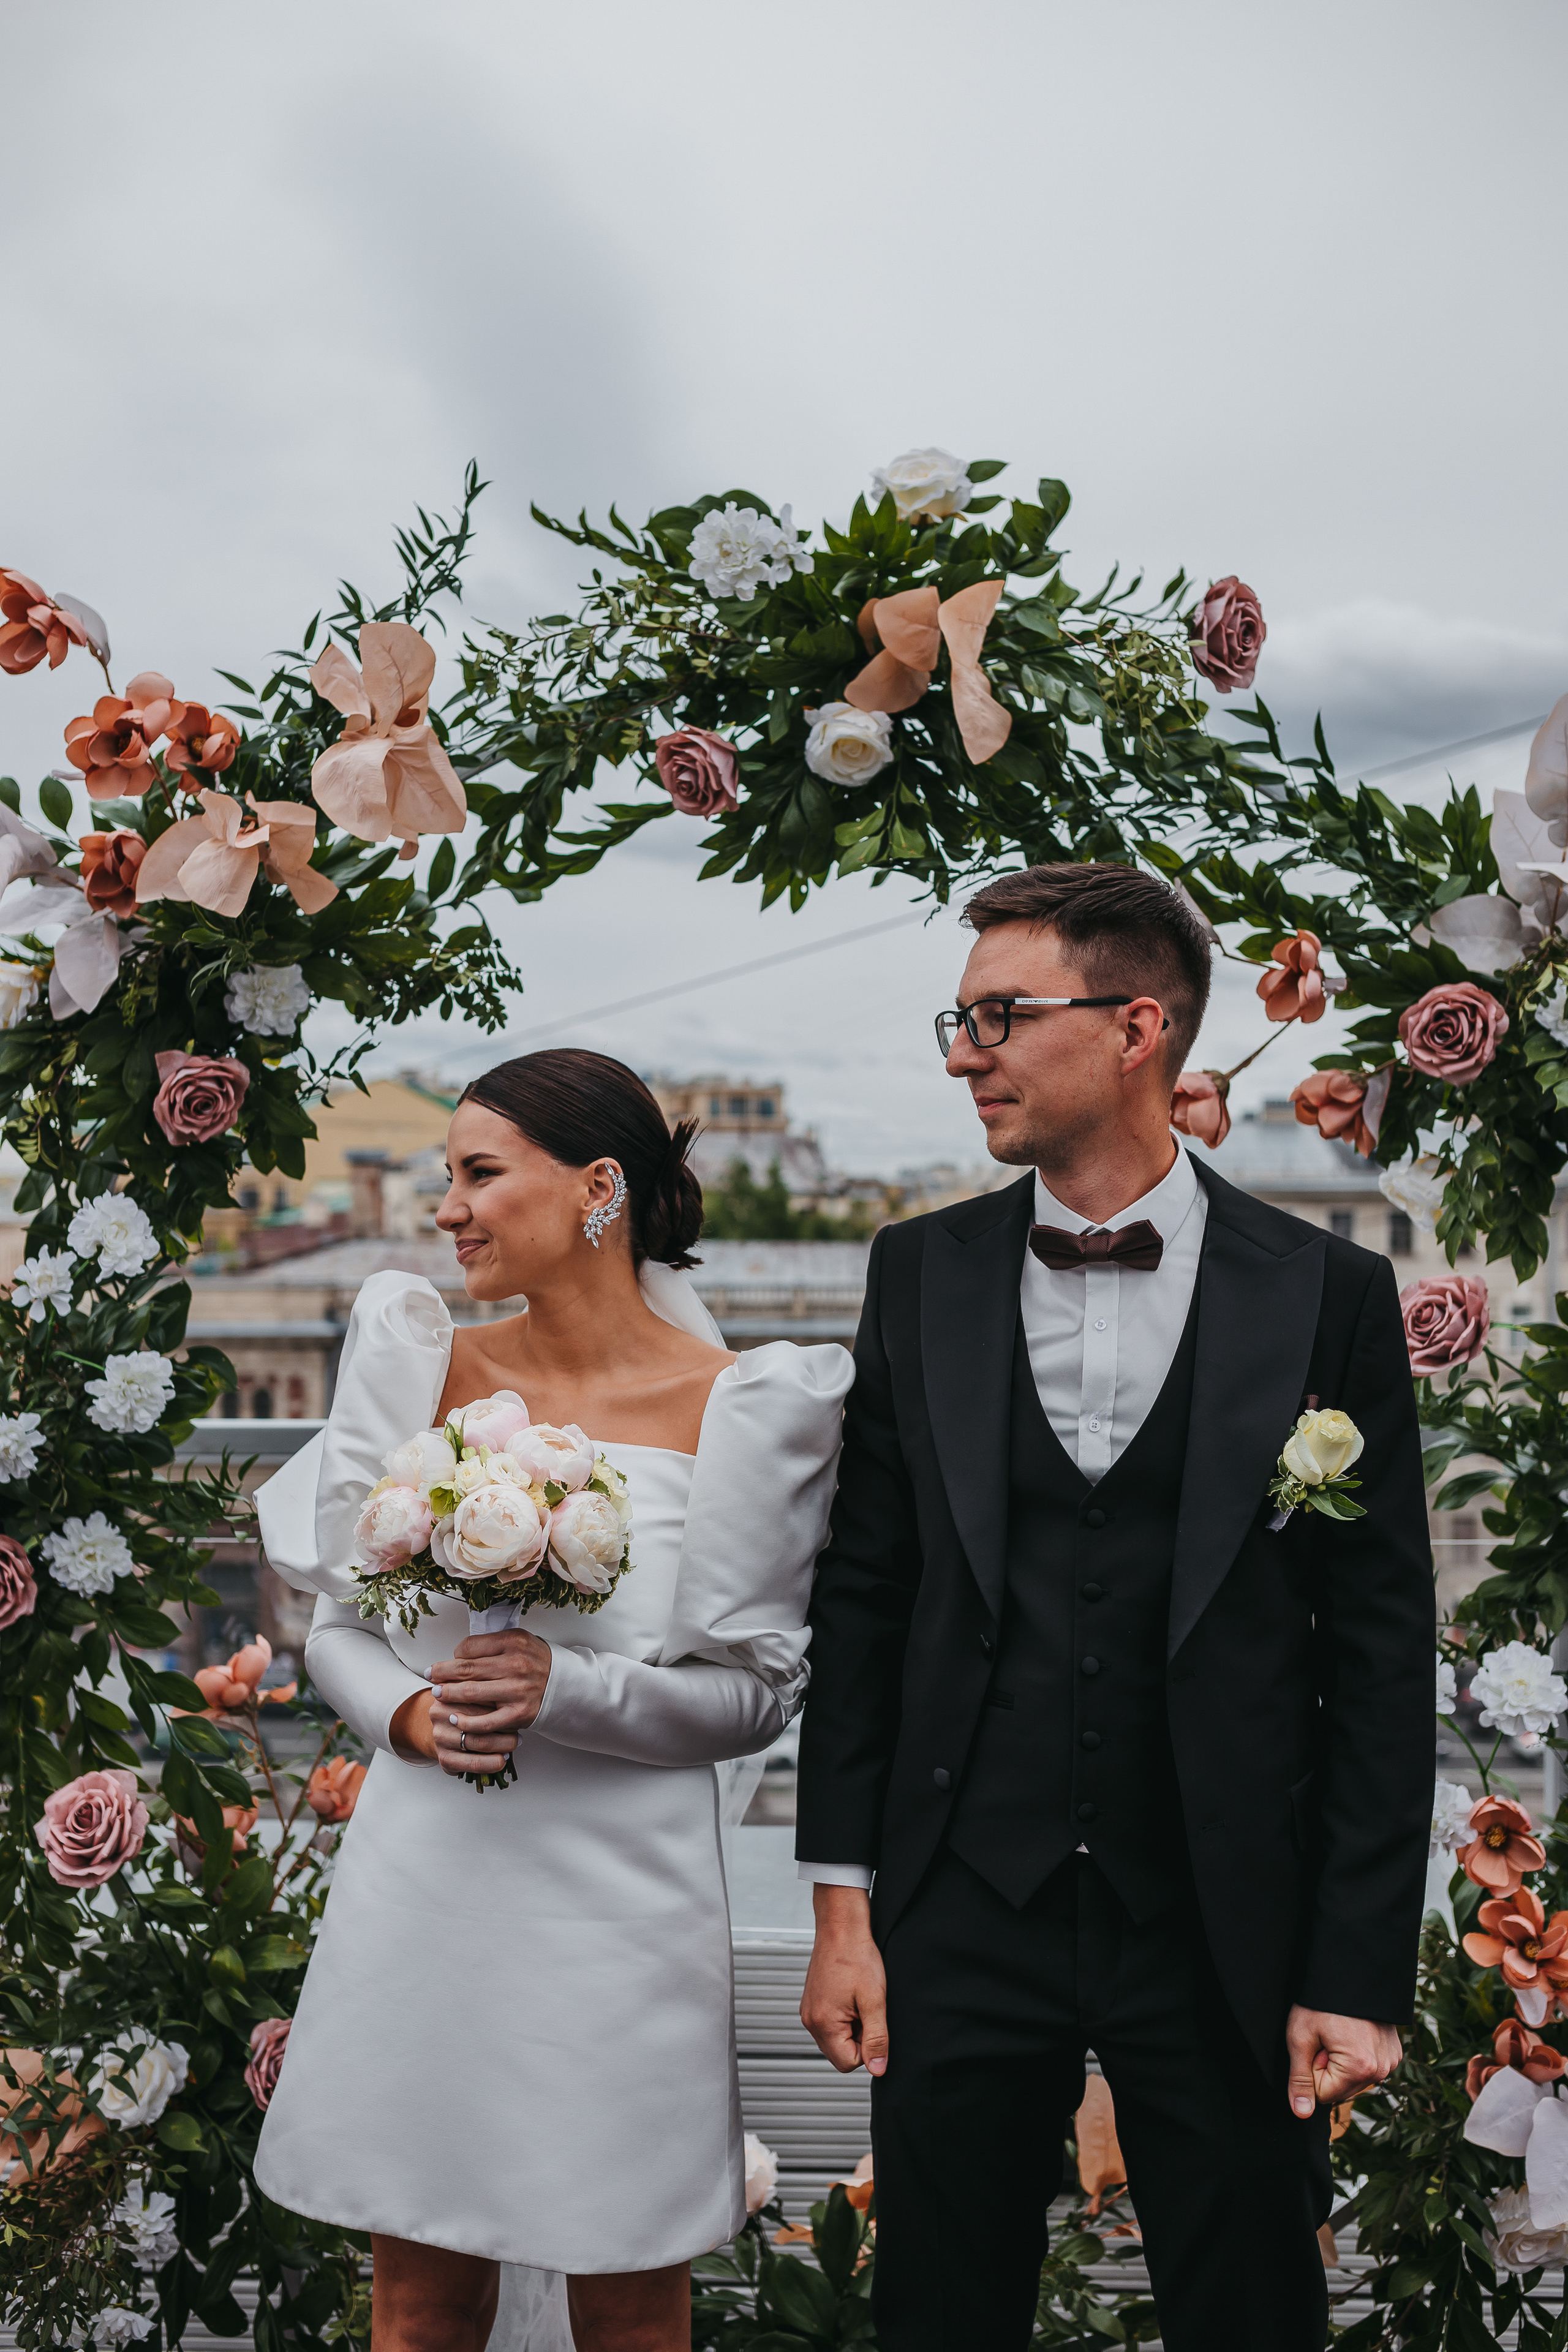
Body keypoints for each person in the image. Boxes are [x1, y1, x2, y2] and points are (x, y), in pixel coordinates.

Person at [794, 864, 1433, 2352]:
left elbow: (1380, 1657)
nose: (965, 1056)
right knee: (940, 2309)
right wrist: (843, 1905)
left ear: (1138, 1025)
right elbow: (867, 1602)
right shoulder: (917, 1273)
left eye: (998, 1019)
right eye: (955, 1025)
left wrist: (1352, 1973)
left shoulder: (1326, 1296)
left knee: (1250, 2303)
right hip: (961, 1901)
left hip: (1223, 1916)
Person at [252, 1049, 853, 2352]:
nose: (447, 1209)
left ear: (597, 1188)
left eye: (477, 1174)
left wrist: (566, 1689)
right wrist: (406, 1720)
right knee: (414, 2308)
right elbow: (340, 1632)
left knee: (630, 2292)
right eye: (444, 1178)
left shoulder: (741, 1407)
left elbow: (753, 1697)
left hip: (622, 1914)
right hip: (424, 1884)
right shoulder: (419, 1366)